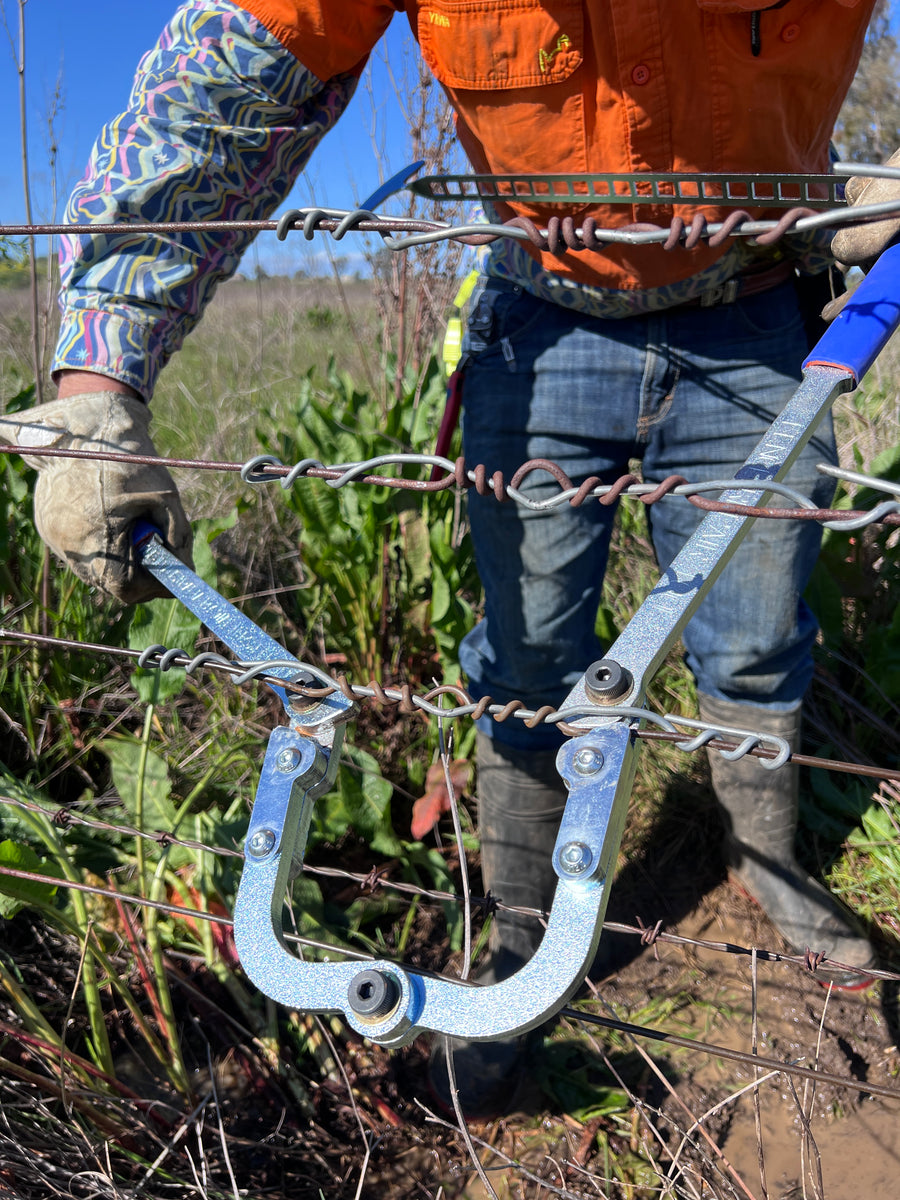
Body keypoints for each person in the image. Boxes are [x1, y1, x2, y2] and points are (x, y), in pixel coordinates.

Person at [0, 0, 891, 1113]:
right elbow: (227, 85)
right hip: (545, 323)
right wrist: (98, 376)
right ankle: (522, 949)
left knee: (757, 644)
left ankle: (772, 874)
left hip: (764, 320)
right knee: (526, 668)